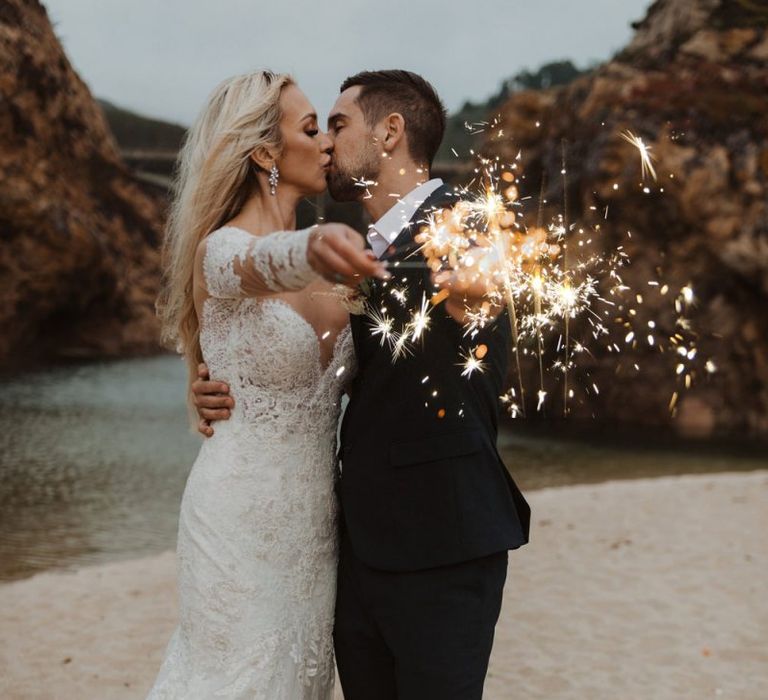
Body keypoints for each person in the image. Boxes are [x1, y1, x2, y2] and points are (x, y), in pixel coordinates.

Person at [193, 70, 531, 700]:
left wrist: (481, 292)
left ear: (391, 132)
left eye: (338, 125)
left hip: (442, 548)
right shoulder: (352, 258)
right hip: (346, 551)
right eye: (315, 128)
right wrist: (211, 382)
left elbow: (481, 301)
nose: (326, 144)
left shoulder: (464, 232)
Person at [147, 69, 388, 699]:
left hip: (317, 527)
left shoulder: (344, 278)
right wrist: (310, 247)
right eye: (311, 129)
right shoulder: (221, 251)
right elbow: (255, 268)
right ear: (263, 153)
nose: (328, 144)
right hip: (236, 518)